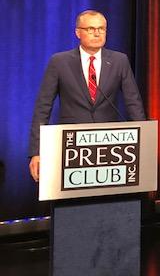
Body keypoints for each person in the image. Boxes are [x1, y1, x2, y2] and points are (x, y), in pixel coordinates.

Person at [29, 10, 146, 182]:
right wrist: (36, 151)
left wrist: (141, 145)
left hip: (110, 147)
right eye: (91, 29)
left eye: (102, 29)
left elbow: (134, 103)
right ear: (78, 32)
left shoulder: (119, 61)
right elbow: (42, 108)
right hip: (72, 148)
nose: (97, 33)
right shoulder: (59, 62)